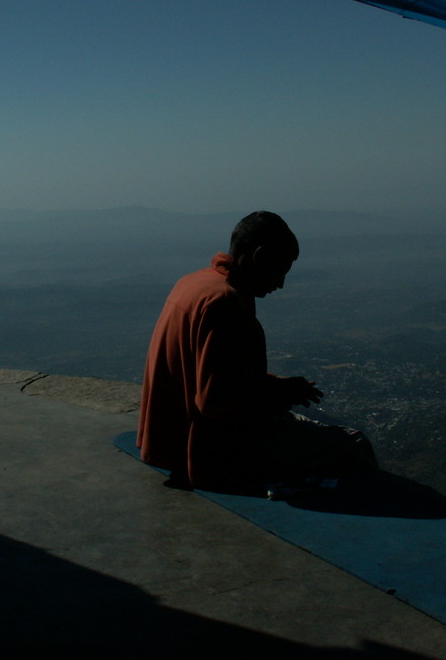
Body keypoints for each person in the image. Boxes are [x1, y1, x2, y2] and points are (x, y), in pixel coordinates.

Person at [137, 211, 378, 492]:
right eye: (280, 270)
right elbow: (216, 402)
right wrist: (281, 395)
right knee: (355, 445)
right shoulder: (226, 302)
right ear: (260, 257)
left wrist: (277, 385)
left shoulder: (194, 284)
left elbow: (215, 372)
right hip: (207, 451)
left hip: (166, 440)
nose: (280, 284)